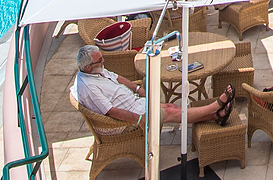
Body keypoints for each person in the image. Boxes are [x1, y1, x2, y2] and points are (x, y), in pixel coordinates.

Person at [73, 44, 229, 124]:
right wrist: (139, 120)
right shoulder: (89, 88)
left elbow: (118, 77)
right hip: (130, 115)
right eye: (100, 60)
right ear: (87, 66)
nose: (103, 61)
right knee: (170, 113)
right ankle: (215, 107)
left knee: (170, 107)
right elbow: (111, 112)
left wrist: (138, 89)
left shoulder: (95, 70)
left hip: (134, 101)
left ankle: (215, 115)